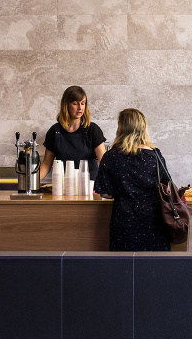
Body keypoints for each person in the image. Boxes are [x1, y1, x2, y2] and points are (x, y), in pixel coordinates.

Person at [94, 108, 172, 252]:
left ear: (121, 128)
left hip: (123, 221)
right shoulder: (155, 155)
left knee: (124, 263)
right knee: (155, 263)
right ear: (143, 128)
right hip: (153, 221)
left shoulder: (111, 156)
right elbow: (167, 186)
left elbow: (105, 193)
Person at [39, 86, 106, 182]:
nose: (80, 108)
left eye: (82, 103)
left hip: (89, 187)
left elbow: (104, 163)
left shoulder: (93, 130)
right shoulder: (54, 131)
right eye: (75, 103)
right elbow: (46, 165)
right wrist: (31, 185)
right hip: (64, 186)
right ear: (66, 105)